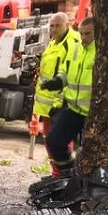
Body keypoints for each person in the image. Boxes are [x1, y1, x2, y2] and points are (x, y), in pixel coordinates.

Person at [42, 16, 96, 176]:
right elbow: (66, 71)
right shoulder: (77, 49)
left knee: (87, 152)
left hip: (92, 113)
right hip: (74, 108)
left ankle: (79, 179)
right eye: (81, 34)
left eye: (88, 34)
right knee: (53, 141)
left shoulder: (101, 52)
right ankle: (67, 174)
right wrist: (57, 81)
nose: (84, 38)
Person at [31, 12, 80, 144]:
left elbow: (69, 75)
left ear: (67, 24)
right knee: (49, 140)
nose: (54, 29)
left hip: (59, 104)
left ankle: (63, 165)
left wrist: (58, 104)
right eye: (52, 26)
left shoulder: (72, 43)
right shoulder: (54, 42)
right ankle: (55, 165)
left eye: (58, 26)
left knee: (60, 143)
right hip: (47, 103)